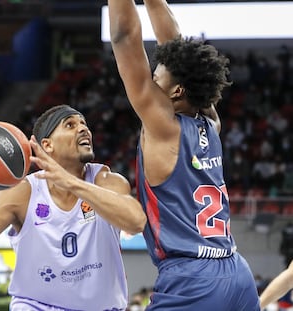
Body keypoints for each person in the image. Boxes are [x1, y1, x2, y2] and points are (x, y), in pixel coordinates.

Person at [108, 0, 260, 310]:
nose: (150, 81)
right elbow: (175, 46)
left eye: (156, 77)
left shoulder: (163, 126)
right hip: (235, 270)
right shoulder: (211, 123)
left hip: (192, 278)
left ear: (176, 92)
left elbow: (124, 38)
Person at [0, 104, 147, 311]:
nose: (83, 129)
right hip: (36, 306)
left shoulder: (107, 181)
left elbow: (136, 222)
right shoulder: (22, 193)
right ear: (47, 145)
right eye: (70, 125)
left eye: (84, 124)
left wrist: (71, 182)